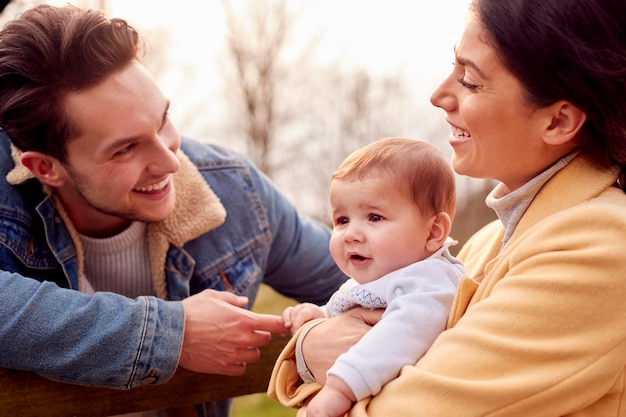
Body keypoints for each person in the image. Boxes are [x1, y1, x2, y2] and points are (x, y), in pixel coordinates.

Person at [274, 0, 626, 416]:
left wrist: (314, 357)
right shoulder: (488, 241)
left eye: (471, 81)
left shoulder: (598, 250)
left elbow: (411, 409)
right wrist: (312, 342)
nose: (439, 95)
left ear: (558, 121)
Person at [0, 4, 346, 417]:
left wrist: (335, 331)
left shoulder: (236, 191)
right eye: (125, 148)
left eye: (164, 120)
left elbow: (378, 276)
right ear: (45, 167)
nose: (170, 162)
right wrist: (171, 334)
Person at [268, 137, 466, 417]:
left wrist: (340, 388)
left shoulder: (429, 281)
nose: (350, 234)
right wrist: (320, 315)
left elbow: (400, 335)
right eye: (342, 220)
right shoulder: (386, 276)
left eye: (374, 217)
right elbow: (353, 312)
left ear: (433, 232)